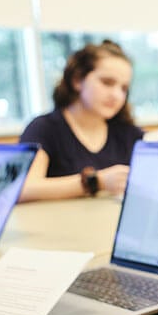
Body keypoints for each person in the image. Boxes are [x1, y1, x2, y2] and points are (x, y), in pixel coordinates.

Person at [19, 40, 143, 202]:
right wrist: (97, 182)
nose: (117, 95)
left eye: (124, 88)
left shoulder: (128, 133)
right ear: (77, 80)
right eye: (107, 83)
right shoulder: (44, 128)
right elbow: (23, 189)